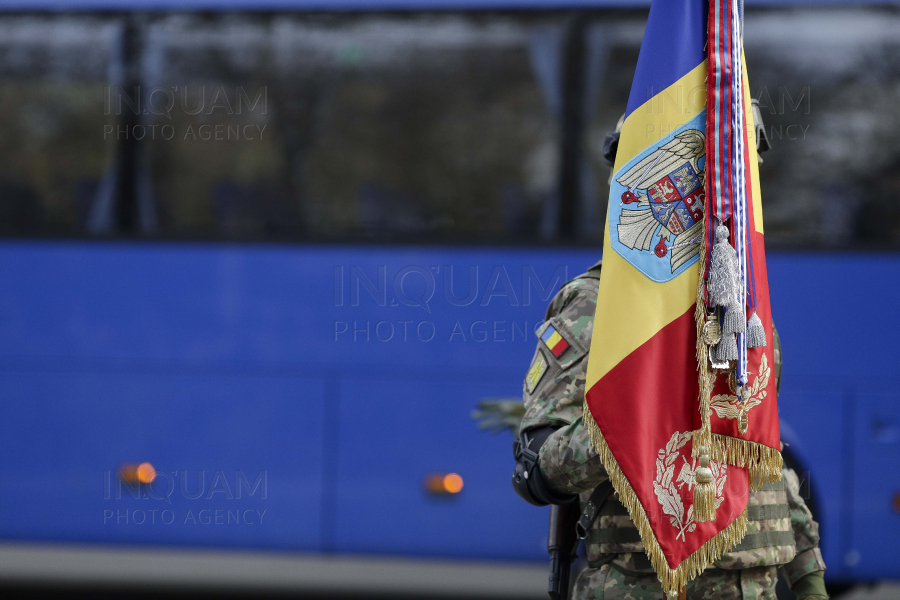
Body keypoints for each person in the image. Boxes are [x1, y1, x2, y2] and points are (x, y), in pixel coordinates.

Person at [513, 259, 828, 600]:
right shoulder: (598, 300)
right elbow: (537, 469)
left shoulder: (739, 301)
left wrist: (810, 581)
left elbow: (764, 452)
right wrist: (632, 423)